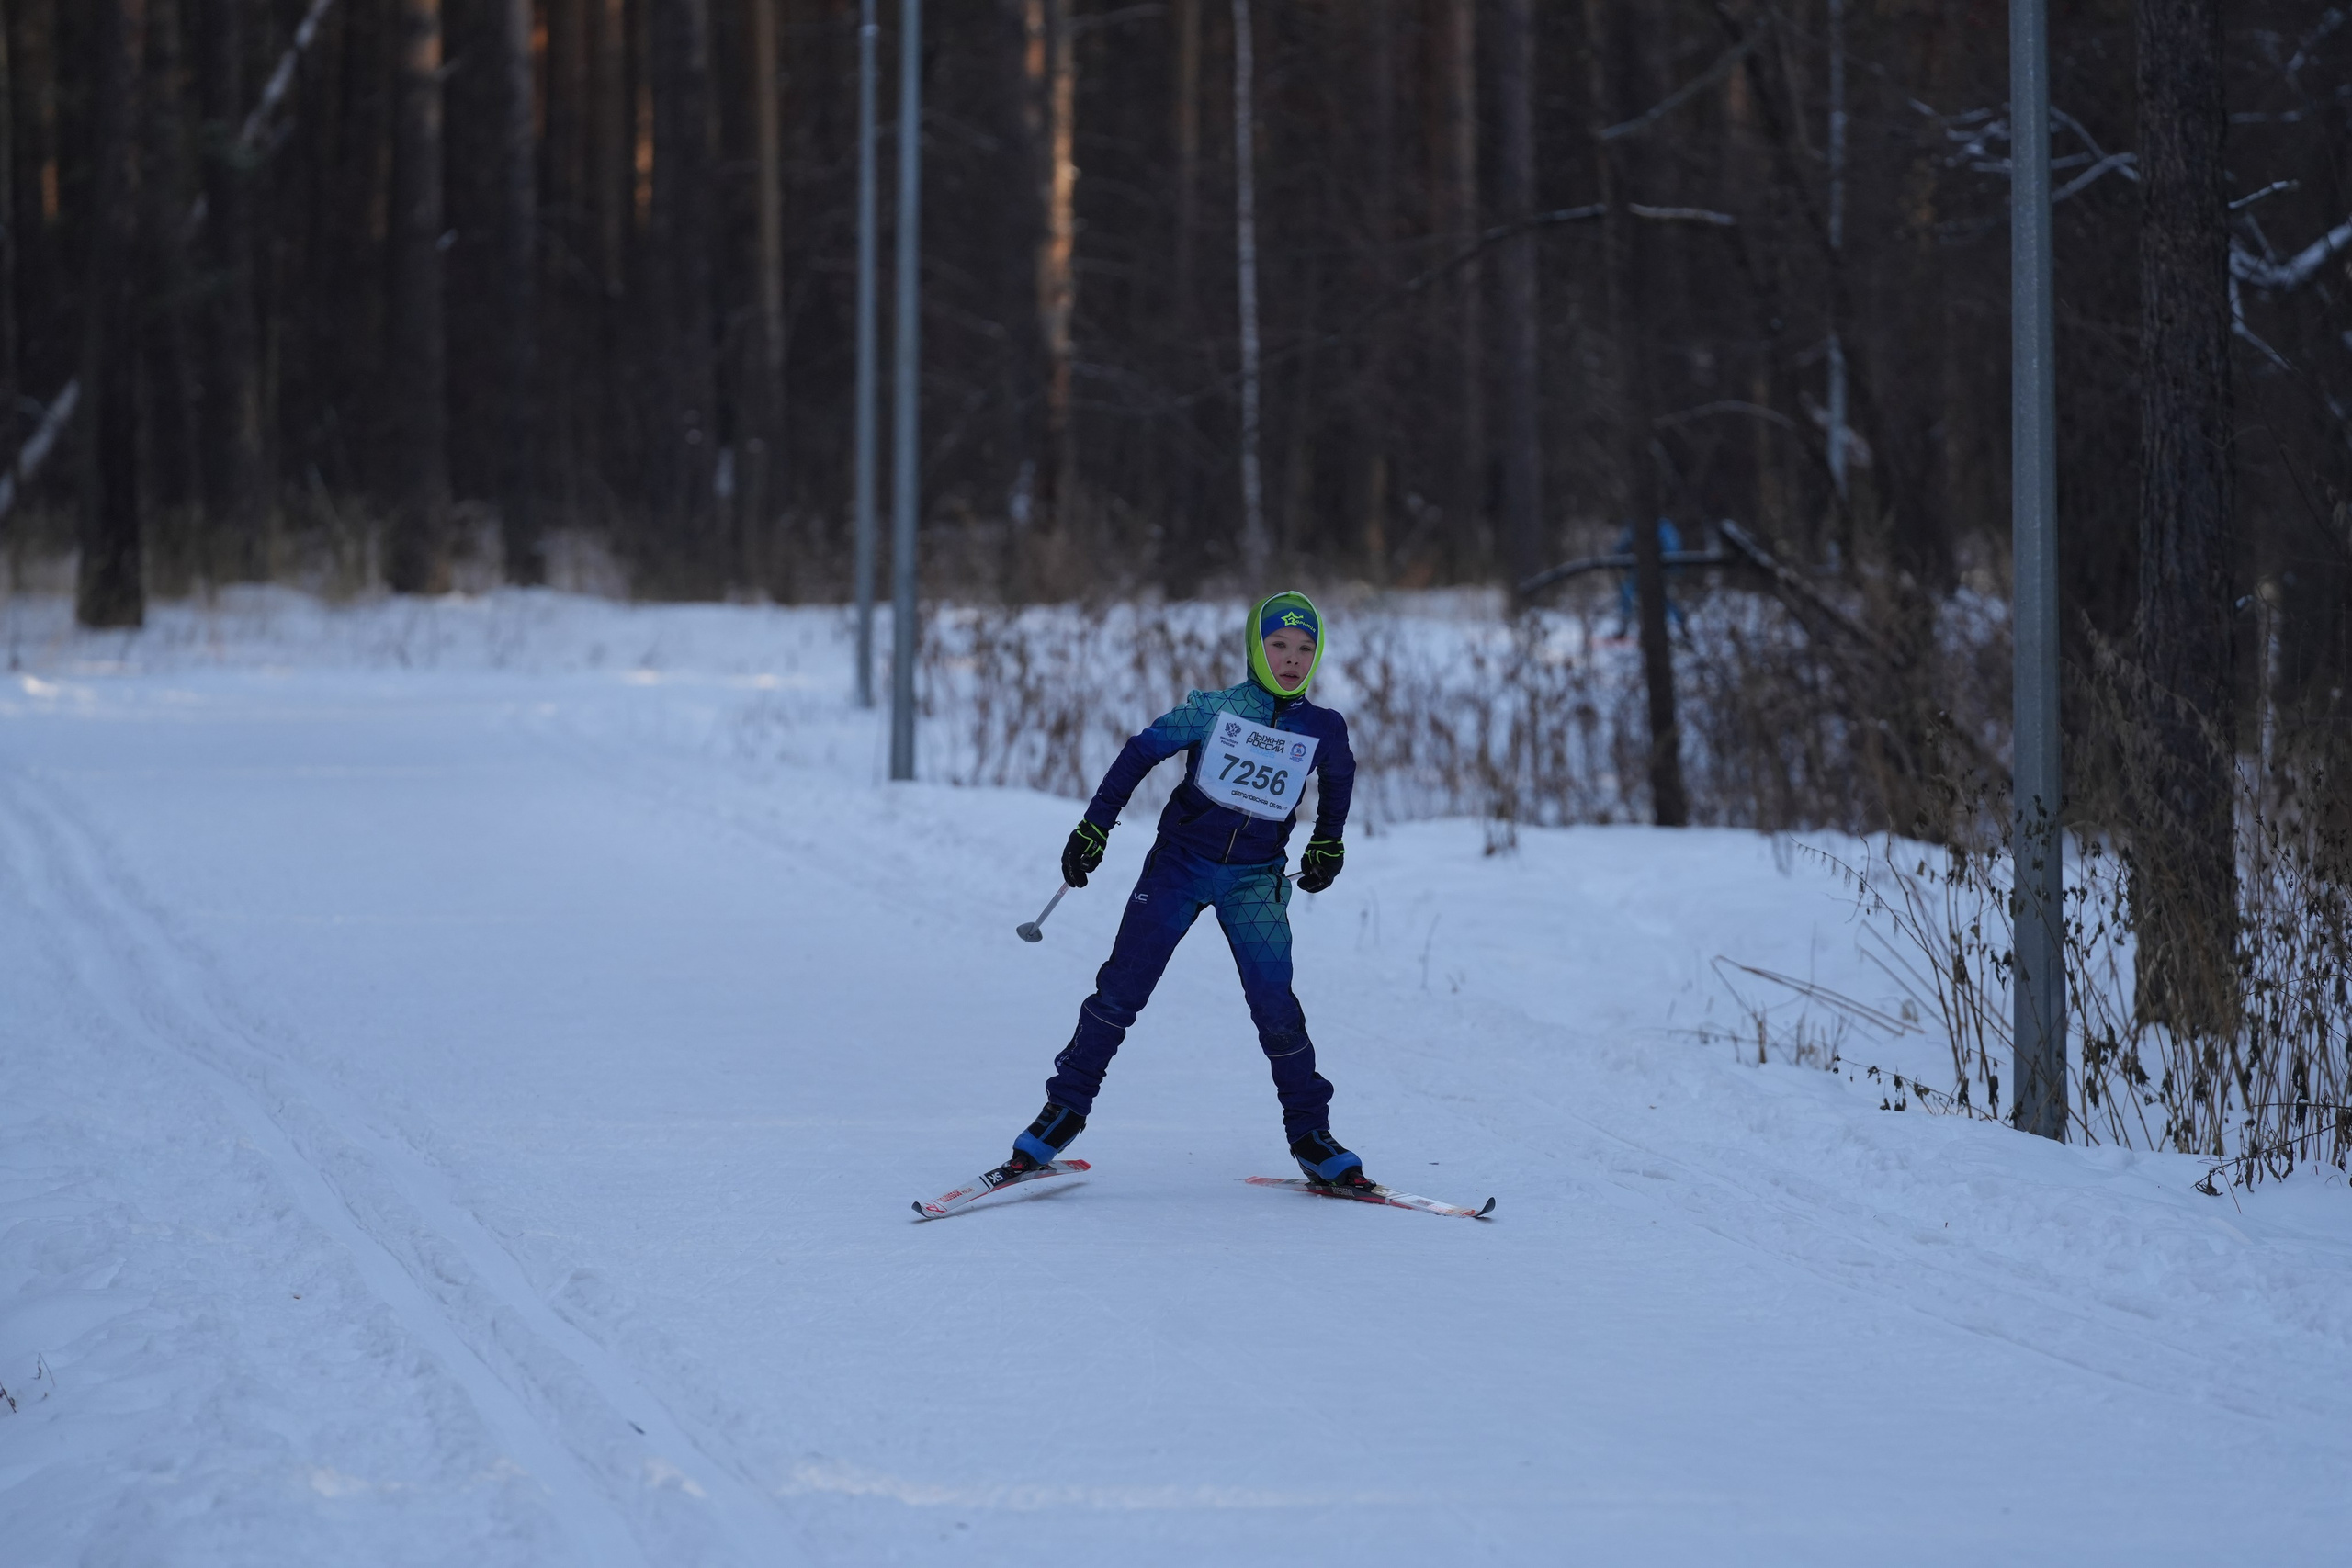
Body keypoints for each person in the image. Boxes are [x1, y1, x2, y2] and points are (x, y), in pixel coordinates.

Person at [995, 591, 1371, 1190]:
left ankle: (1310, 1134)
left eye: (1305, 648)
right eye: (1278, 644)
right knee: (1120, 990)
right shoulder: (1213, 710)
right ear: (1255, 649)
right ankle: (1062, 1112)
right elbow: (1139, 752)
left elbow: (1340, 777)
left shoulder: (1322, 727)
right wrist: (1095, 826)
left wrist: (1328, 842)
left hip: (1255, 879)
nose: (1292, 659)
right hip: (1180, 865)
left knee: (1276, 1007)